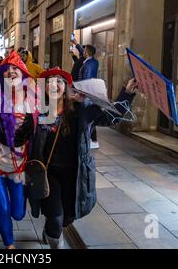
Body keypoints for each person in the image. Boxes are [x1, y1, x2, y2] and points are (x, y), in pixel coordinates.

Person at [28, 67, 138, 248]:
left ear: (66, 87)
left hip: (75, 173)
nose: (53, 84)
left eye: (59, 81)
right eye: (49, 82)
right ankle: (54, 236)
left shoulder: (80, 110)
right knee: (56, 217)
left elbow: (111, 117)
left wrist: (126, 93)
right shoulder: (36, 111)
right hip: (49, 173)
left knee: (67, 218)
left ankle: (51, 230)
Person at [0, 51, 34, 249]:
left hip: (19, 161)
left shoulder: (34, 100)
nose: (11, 72)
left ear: (23, 74)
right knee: (2, 207)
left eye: (15, 69)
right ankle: (9, 246)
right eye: (7, 70)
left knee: (18, 213)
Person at [77, 44, 100, 149]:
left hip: (87, 94)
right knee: (88, 116)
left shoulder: (89, 64)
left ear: (87, 52)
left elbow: (87, 78)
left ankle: (89, 139)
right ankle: (90, 139)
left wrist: (81, 91)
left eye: (84, 50)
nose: (83, 52)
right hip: (89, 93)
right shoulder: (92, 62)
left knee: (87, 117)